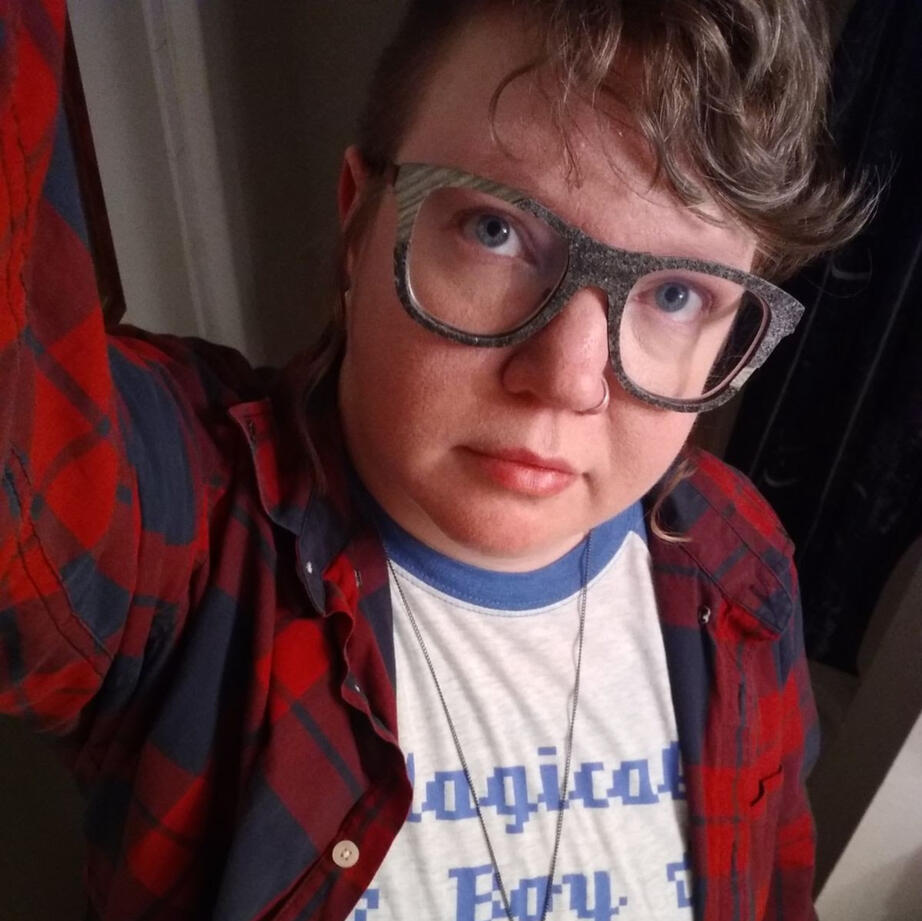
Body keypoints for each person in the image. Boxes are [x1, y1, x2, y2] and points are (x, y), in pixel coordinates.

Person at [0, 1, 870, 920]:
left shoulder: (740, 562)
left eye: (679, 292)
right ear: (358, 219)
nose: (570, 379)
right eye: (494, 230)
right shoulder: (193, 529)